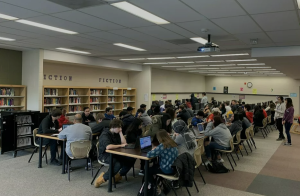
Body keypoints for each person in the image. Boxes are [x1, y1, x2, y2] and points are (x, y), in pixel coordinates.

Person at [94, 119, 136, 188]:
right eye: (119, 127)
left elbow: (124, 143)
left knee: (131, 158)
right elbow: (108, 147)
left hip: (115, 153)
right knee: (118, 164)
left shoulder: (116, 133)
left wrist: (120, 133)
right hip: (104, 155)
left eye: (121, 127)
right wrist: (120, 145)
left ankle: (118, 175)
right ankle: (102, 179)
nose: (120, 129)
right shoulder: (105, 134)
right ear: (113, 127)